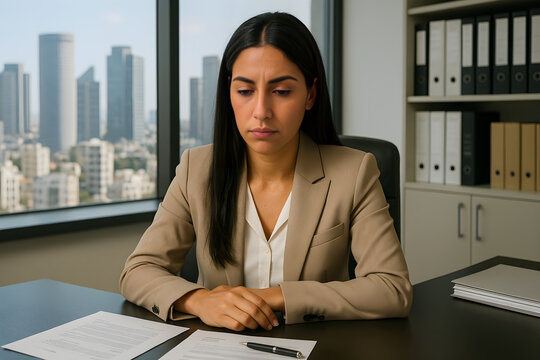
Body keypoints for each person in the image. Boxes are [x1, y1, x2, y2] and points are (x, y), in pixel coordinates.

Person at [120, 12, 412, 332]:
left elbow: (391, 289)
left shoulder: (354, 172)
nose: (261, 112)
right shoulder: (196, 168)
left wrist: (271, 297)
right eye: (245, 91)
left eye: (281, 91)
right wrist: (200, 300)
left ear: (310, 94)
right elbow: (139, 270)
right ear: (228, 93)